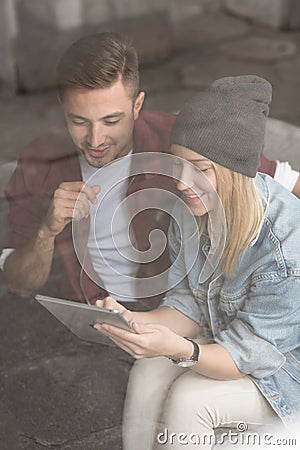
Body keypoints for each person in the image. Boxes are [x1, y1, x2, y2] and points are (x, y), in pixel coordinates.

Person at [1, 32, 299, 306]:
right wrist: (46, 232)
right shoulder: (40, 161)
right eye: (79, 121)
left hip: (183, 314)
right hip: (95, 322)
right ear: (62, 108)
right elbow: (20, 282)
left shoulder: (180, 141)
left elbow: (289, 184)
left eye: (111, 121)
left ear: (137, 105)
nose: (95, 139)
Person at [92, 75, 300, 449]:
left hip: (283, 370)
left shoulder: (286, 245)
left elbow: (244, 357)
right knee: (146, 373)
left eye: (200, 168)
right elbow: (188, 303)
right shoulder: (190, 212)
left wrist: (178, 348)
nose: (183, 182)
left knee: (193, 399)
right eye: (178, 166)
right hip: (228, 338)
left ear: (233, 171)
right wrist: (133, 322)